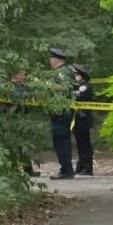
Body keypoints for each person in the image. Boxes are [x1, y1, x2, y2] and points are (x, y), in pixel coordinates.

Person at [48, 48, 76, 180]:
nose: (50, 61)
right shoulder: (68, 71)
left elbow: (64, 88)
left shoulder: (60, 73)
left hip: (60, 112)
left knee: (60, 141)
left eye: (51, 58)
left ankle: (66, 169)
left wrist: (47, 87)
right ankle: (66, 168)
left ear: (56, 60)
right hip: (63, 111)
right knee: (62, 140)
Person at [71, 64, 95, 176]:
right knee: (80, 144)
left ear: (82, 75)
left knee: (85, 143)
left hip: (84, 118)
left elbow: (80, 96)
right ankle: (81, 165)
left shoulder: (86, 86)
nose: (75, 77)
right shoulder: (78, 86)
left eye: (76, 74)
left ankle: (87, 166)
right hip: (77, 119)